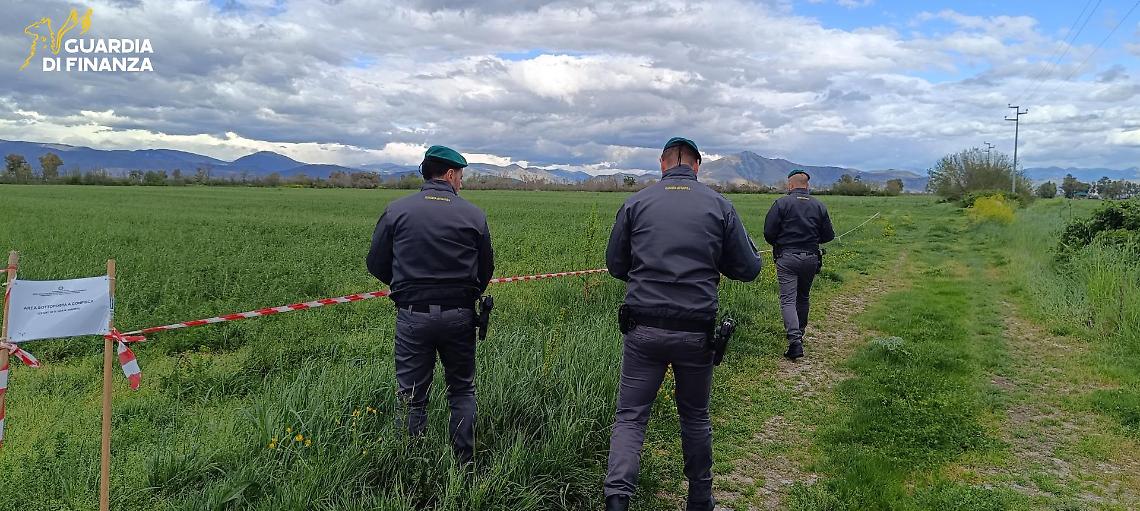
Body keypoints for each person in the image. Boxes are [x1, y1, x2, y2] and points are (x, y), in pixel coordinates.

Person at [604, 137, 762, 511]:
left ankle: (616, 500)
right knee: (694, 416)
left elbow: (615, 265)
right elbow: (749, 268)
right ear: (696, 166)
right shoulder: (720, 206)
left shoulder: (636, 202)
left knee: (630, 417)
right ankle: (700, 500)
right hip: (696, 333)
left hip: (643, 329)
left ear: (662, 164)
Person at [366, 145, 494, 465]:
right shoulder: (473, 214)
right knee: (462, 390)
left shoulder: (397, 210)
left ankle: (410, 465)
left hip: (412, 315)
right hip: (460, 315)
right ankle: (464, 464)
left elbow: (376, 263)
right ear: (450, 174)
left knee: (411, 398)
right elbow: (485, 269)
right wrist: (466, 294)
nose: (462, 183)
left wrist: (406, 289)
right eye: (461, 176)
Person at [763, 169, 835, 360]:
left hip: (787, 258)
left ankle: (794, 342)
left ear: (790, 185)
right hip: (811, 257)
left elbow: (768, 232)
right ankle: (800, 334)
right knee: (803, 297)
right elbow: (829, 235)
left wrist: (781, 244)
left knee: (788, 299)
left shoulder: (781, 203)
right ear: (807, 185)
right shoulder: (819, 205)